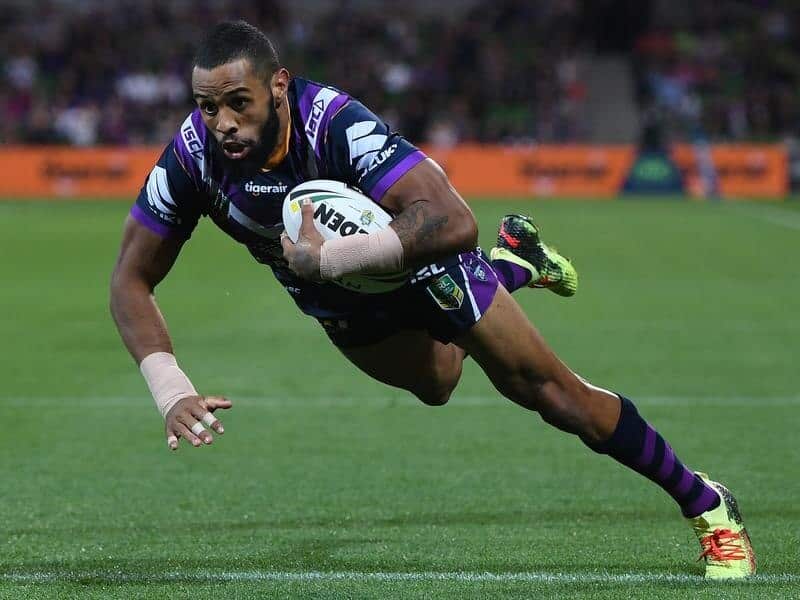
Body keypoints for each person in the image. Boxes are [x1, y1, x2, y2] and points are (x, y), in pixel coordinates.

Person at [110, 20, 754, 579]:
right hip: (345, 307)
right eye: (206, 106)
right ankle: (514, 263)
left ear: (278, 86)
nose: (222, 122)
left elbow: (451, 219)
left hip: (423, 265)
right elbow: (129, 281)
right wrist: (171, 388)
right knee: (439, 381)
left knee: (549, 393)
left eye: (237, 102)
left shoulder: (335, 124)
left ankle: (704, 502)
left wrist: (329, 259)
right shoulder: (190, 162)